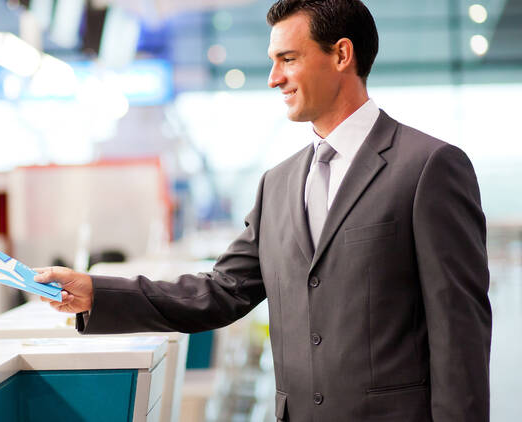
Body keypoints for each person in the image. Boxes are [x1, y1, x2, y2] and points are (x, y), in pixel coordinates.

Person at [35, 0, 492, 420]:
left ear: (341, 55)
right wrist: (99, 292)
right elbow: (221, 291)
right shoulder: (278, 184)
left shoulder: (428, 167)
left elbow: (460, 334)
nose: (274, 78)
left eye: (288, 59)